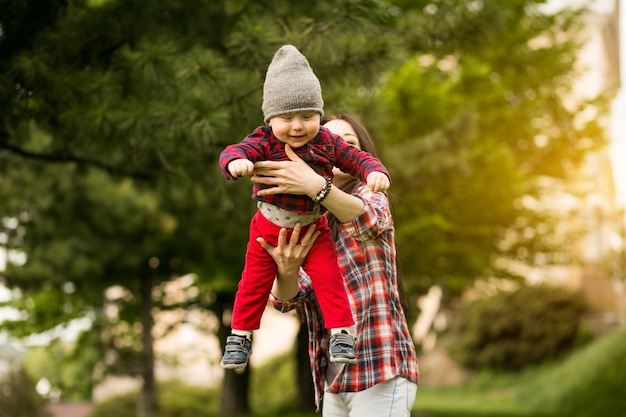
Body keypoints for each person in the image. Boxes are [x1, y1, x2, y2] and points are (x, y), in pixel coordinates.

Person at [218, 46, 390, 369]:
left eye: (308, 117)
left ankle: (341, 332)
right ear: (270, 119)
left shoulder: (327, 142)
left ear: (318, 116)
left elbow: (358, 160)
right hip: (268, 228)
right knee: (253, 282)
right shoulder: (265, 140)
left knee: (329, 277)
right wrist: (237, 163)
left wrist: (376, 171)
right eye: (287, 118)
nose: (297, 126)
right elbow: (233, 151)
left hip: (313, 226)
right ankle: (240, 335)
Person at [254, 113, 419, 416]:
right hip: (333, 380)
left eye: (349, 143)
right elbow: (288, 297)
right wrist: (287, 271)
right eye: (327, 141)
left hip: (378, 368)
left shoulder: (370, 194)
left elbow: (368, 221)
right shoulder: (308, 220)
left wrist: (313, 183)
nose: (337, 147)